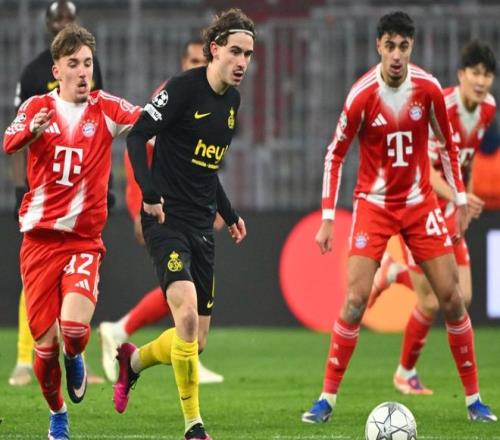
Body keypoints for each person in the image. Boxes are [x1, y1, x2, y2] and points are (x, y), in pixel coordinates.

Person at [302, 11, 497, 425]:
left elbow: (447, 146)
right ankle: (326, 399)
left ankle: (474, 401)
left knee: (452, 299)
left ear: (411, 48)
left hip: (420, 204)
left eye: (403, 46)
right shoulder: (361, 95)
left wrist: (460, 199)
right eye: (389, 46)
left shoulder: (426, 88)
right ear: (379, 46)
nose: (396, 54)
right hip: (373, 205)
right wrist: (327, 217)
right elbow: (335, 154)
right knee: (355, 300)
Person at [114, 8, 255, 440]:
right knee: (187, 318)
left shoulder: (231, 103)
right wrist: (148, 193)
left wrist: (229, 213)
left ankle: (132, 361)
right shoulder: (180, 89)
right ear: (215, 49)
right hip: (166, 220)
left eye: (248, 54)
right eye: (235, 51)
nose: (242, 62)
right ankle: (194, 426)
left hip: (201, 226)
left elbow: (208, 169)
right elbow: (137, 135)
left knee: (195, 341)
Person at [3, 23, 142, 439]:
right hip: (39, 242)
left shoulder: (106, 108)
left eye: (87, 63)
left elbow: (147, 121)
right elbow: (9, 141)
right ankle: (58, 413)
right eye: (74, 64)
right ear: (57, 70)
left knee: (76, 331)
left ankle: (75, 354)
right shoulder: (37, 106)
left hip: (82, 241)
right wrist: (32, 130)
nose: (83, 72)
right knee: (44, 352)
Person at [368, 41, 497, 395]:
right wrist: (458, 196)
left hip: (450, 206)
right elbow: (421, 167)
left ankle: (394, 273)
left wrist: (464, 201)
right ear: (461, 75)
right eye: (475, 73)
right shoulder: (442, 105)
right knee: (430, 300)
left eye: (487, 75)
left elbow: (467, 158)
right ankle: (405, 373)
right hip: (419, 204)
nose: (481, 81)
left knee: (462, 297)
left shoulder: (487, 108)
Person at [98, 38, 224, 385]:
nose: (199, 66)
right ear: (183, 63)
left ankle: (126, 332)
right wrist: (140, 202)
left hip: (191, 205)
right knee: (184, 285)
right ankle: (144, 339)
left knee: (187, 286)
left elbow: (202, 162)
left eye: (204, 60)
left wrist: (216, 204)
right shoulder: (172, 95)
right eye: (193, 60)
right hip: (164, 208)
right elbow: (136, 146)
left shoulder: (214, 98)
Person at [9, 0, 105, 387]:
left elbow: (98, 123)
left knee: (78, 292)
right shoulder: (34, 73)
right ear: (47, 25)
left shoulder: (91, 69)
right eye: (57, 18)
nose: (63, 22)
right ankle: (23, 357)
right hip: (45, 197)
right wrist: (21, 186)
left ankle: (77, 354)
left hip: (80, 195)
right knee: (36, 287)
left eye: (69, 17)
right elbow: (18, 134)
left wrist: (100, 184)